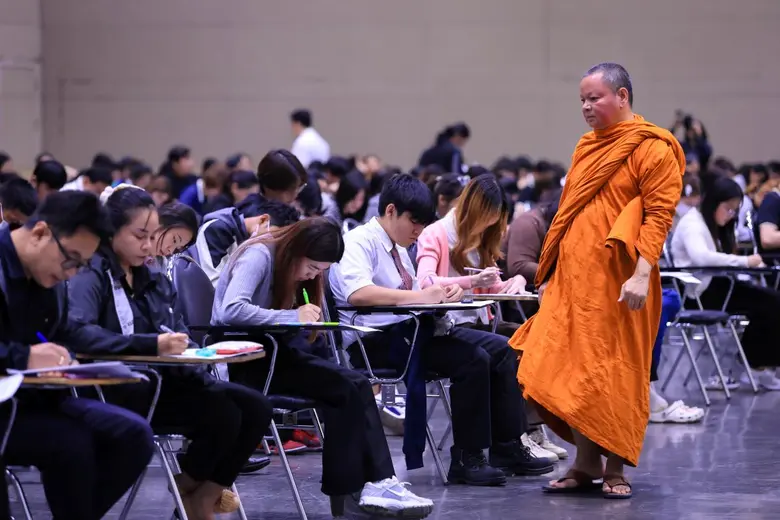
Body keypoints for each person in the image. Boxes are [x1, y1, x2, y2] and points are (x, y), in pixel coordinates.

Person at [509, 63, 684, 498]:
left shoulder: (653, 147)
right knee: (571, 369)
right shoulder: (586, 147)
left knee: (618, 372)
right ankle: (584, 463)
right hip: (574, 281)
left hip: (623, 280)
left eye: (595, 98)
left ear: (622, 96)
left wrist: (642, 275)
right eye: (582, 100)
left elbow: (658, 217)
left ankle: (615, 468)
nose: (586, 107)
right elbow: (569, 213)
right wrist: (552, 272)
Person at [330, 174, 553, 487]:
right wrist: (421, 297)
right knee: (473, 359)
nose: (418, 231)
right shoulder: (360, 241)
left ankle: (508, 446)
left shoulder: (397, 247)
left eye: (423, 224)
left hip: (412, 331)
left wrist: (444, 295)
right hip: (377, 342)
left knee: (503, 349)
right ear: (391, 210)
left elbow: (421, 289)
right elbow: (359, 294)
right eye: (414, 222)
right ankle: (467, 457)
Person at [67, 185, 273, 519]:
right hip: (119, 388)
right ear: (111, 230)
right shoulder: (92, 273)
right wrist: (150, 346)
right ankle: (193, 499)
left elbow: (174, 327)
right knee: (225, 414)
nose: (149, 246)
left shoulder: (153, 274)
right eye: (139, 236)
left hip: (168, 379)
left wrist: (196, 353)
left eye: (153, 236)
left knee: (256, 407)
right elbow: (78, 333)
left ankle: (199, 493)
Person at [212, 217, 434, 517]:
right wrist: (292, 317)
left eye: (319, 272)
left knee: (352, 384)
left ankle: (364, 486)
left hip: (278, 353)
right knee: (346, 386)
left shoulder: (289, 262)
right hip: (247, 359)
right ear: (297, 249)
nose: (310, 276)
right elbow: (230, 309)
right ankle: (366, 486)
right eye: (312, 268)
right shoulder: (258, 254)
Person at [0, 191, 155, 519]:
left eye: (80, 265)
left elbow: (67, 331)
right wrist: (22, 357)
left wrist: (144, 346)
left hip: (38, 401)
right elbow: (25, 353)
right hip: (6, 408)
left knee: (134, 435)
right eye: (69, 259)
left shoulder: (49, 277)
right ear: (41, 232)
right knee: (71, 444)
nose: (71, 273)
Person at [415, 174, 567, 461]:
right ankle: (514, 438)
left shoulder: (479, 239)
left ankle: (527, 429)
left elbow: (490, 286)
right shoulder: (436, 234)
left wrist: (517, 281)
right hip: (444, 327)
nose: (487, 226)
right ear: (472, 209)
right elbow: (426, 283)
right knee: (505, 350)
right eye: (486, 218)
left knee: (540, 340)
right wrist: (472, 284)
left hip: (480, 322)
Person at [671, 177, 780, 390]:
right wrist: (745, 261)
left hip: (718, 286)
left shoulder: (710, 224)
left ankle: (757, 363)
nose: (731, 215)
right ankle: (755, 363)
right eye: (728, 209)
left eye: (734, 211)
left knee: (772, 302)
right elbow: (703, 258)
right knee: (770, 303)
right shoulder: (692, 224)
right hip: (697, 295)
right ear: (714, 202)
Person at [190, 197, 301, 287]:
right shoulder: (216, 229)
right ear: (263, 220)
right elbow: (212, 284)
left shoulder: (250, 243)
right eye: (273, 236)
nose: (271, 243)